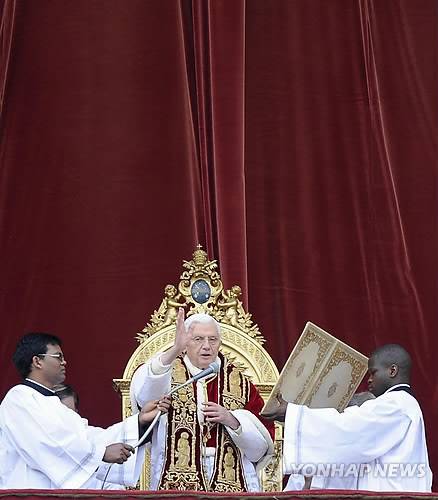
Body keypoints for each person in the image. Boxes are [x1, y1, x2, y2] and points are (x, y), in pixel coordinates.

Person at [0, 332, 170, 489]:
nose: (64, 362)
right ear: (37, 361)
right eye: (58, 357)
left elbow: (88, 437)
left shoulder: (53, 403)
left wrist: (139, 421)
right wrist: (101, 453)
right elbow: (48, 442)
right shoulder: (19, 398)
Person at [130, 308, 275, 492]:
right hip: (175, 483)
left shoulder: (241, 384)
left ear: (220, 342)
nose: (207, 346)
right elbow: (145, 400)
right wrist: (174, 350)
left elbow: (260, 450)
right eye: (198, 339)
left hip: (230, 481)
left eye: (212, 339)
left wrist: (232, 420)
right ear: (185, 343)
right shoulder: (166, 373)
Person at [267, 344, 432, 492]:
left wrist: (294, 413)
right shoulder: (402, 404)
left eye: (373, 372)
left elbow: (349, 428)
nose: (369, 380)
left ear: (392, 371)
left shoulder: (397, 403)